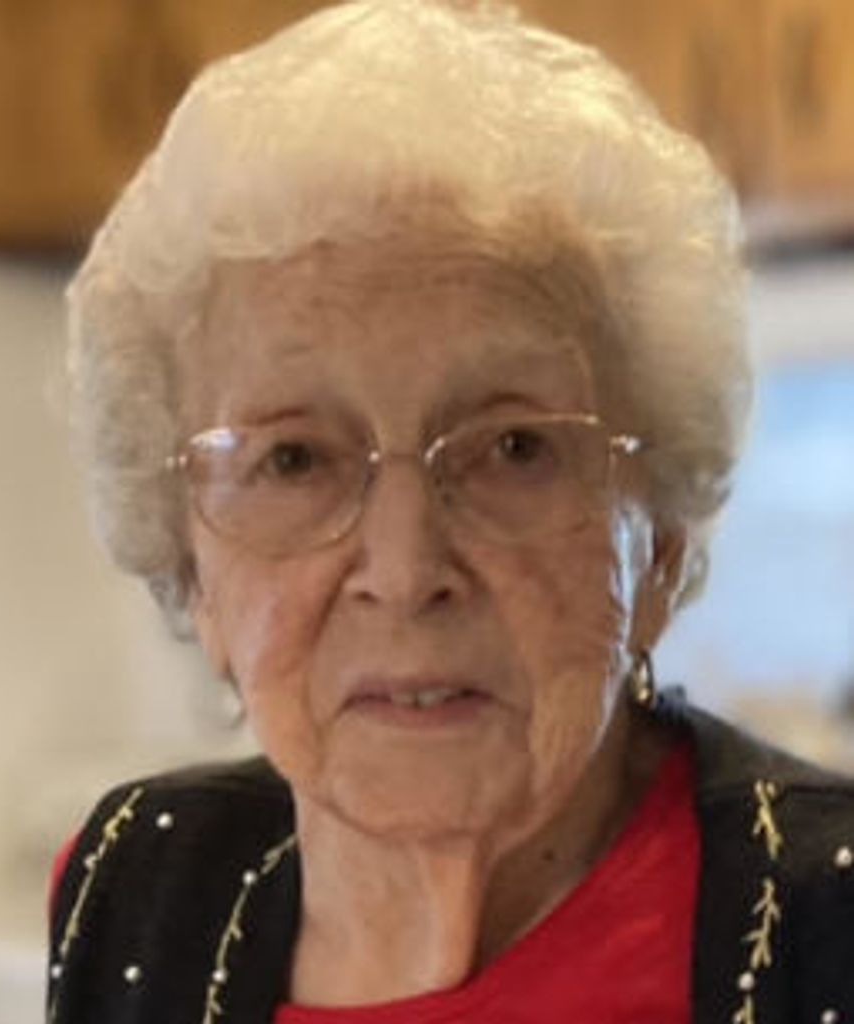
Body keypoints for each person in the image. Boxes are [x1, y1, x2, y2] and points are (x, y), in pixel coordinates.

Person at [48, 2, 854, 1022]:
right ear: (189, 566)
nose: (402, 568)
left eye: (513, 448)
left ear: (655, 541)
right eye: (294, 459)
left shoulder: (823, 924)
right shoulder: (139, 887)